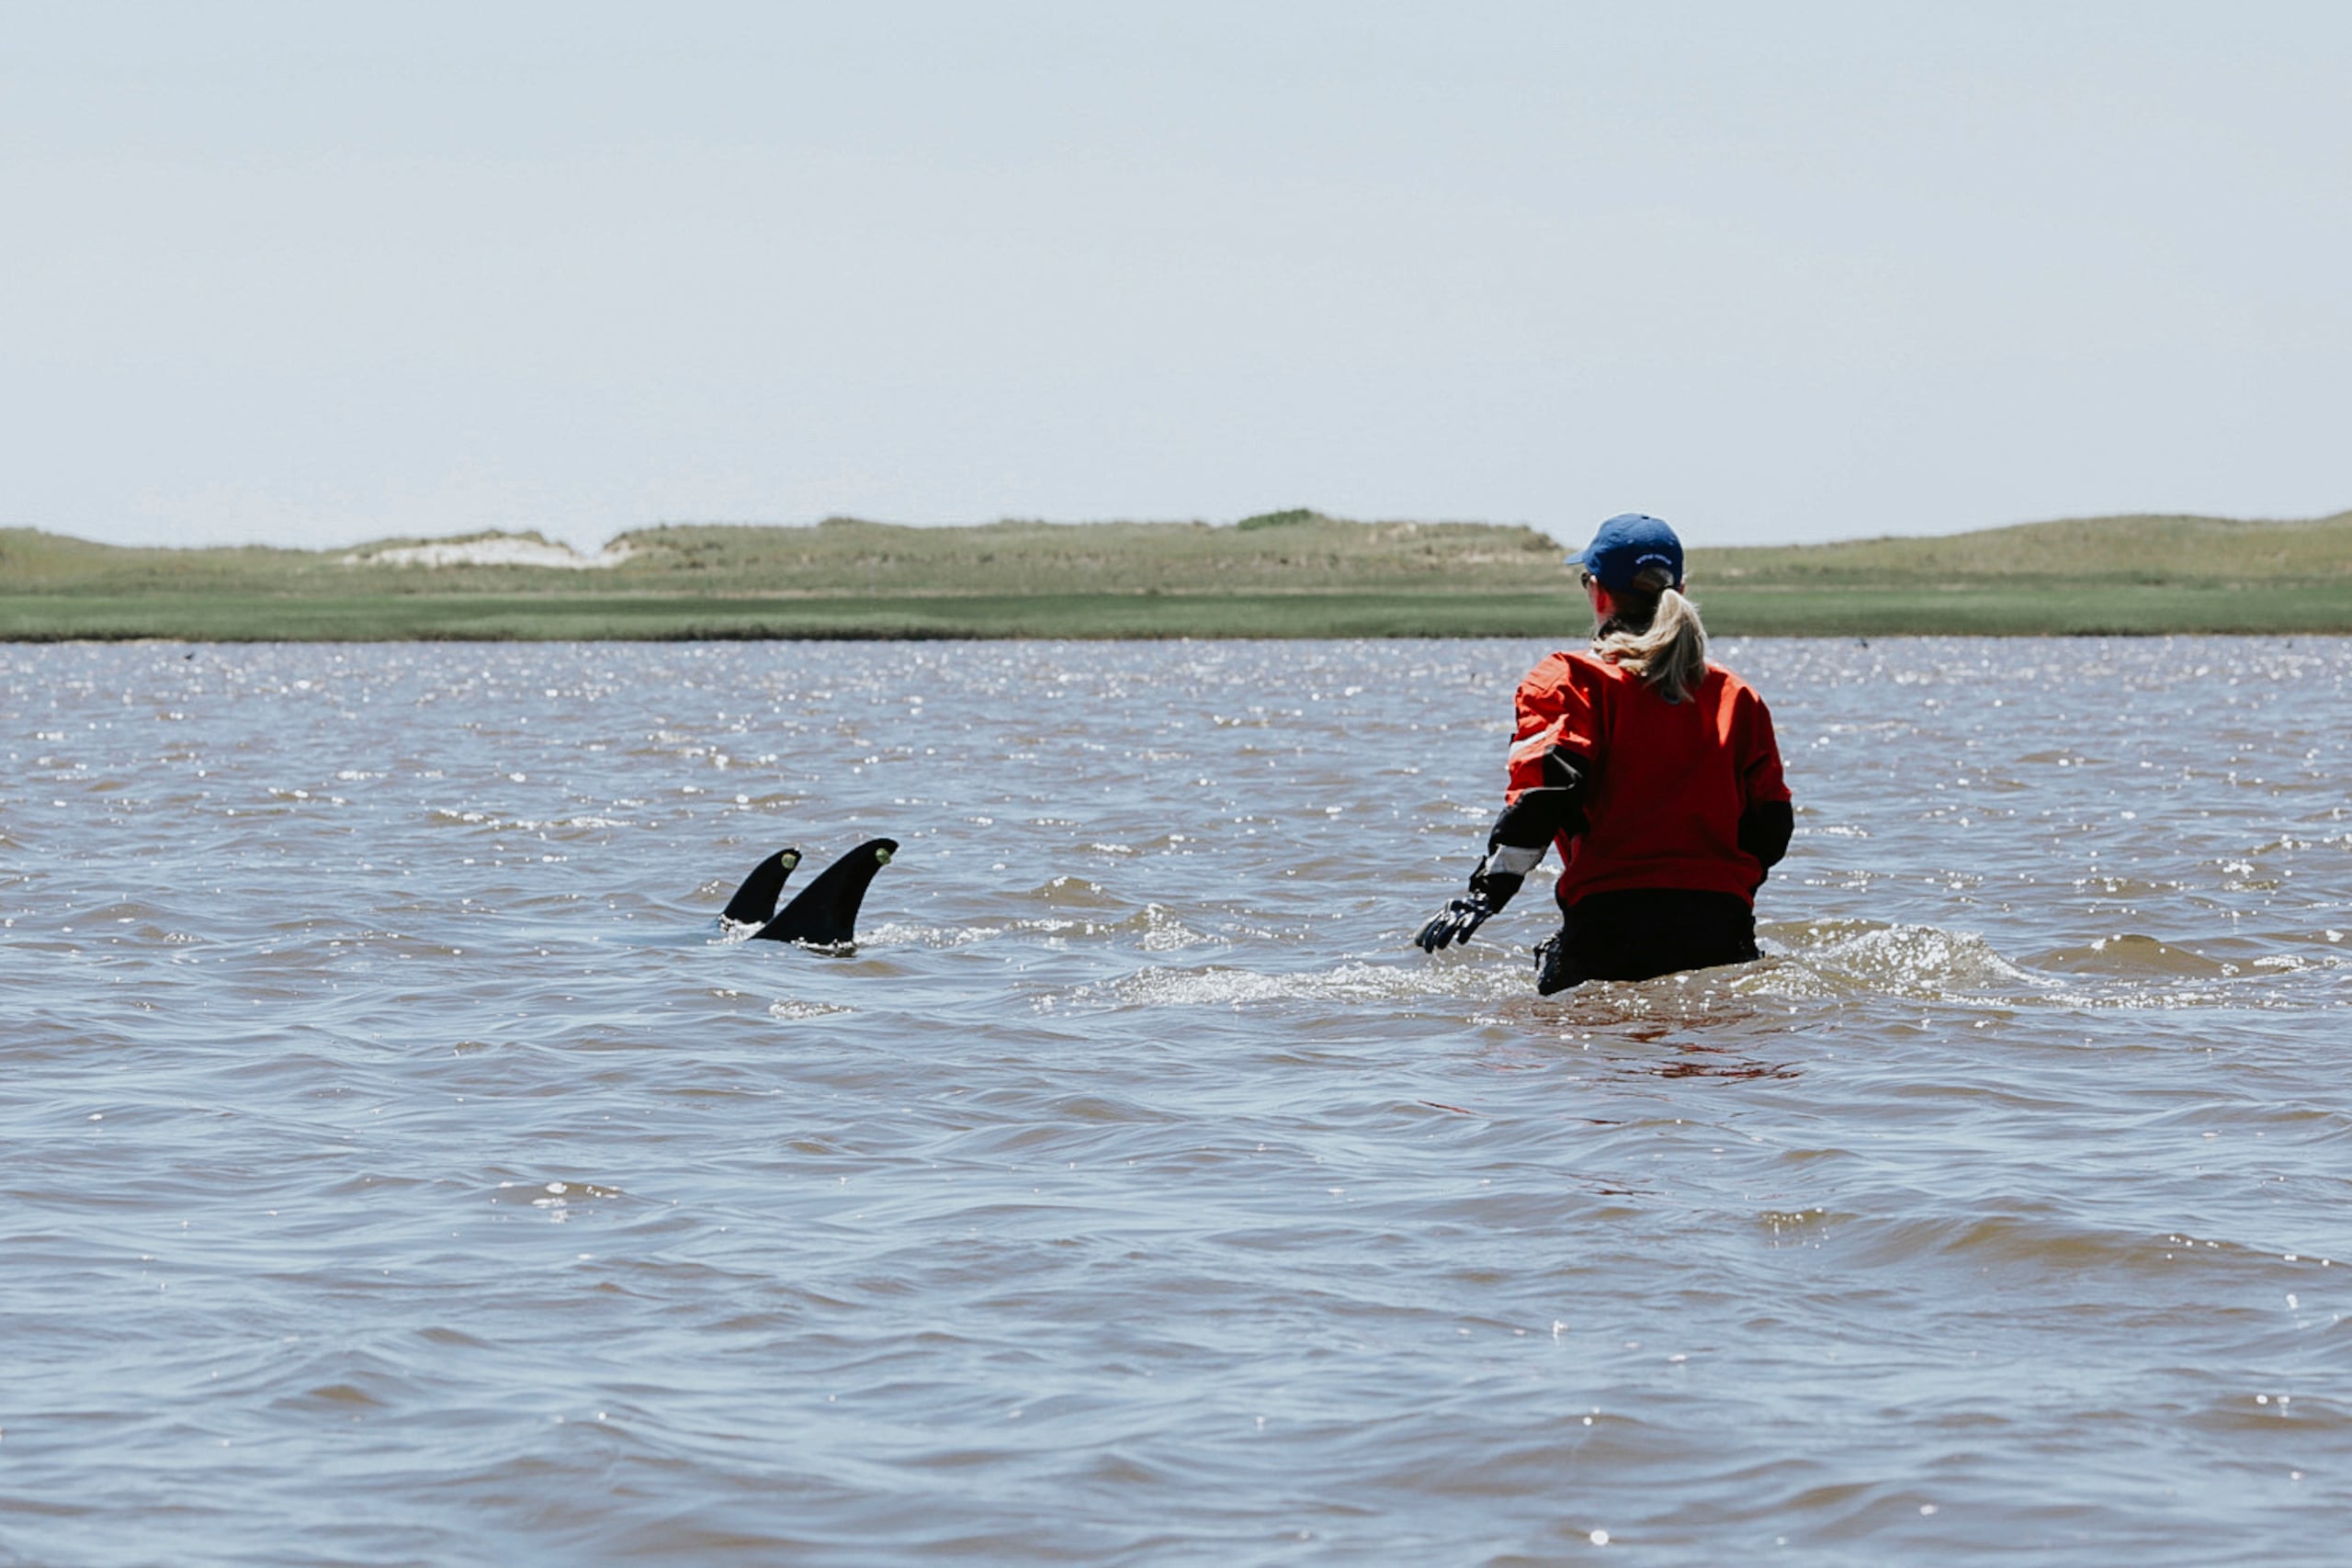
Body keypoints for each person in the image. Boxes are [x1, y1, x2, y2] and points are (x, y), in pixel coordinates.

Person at [1415, 513, 1792, 993]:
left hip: (1608, 929)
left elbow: (1543, 798)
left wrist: (1483, 897)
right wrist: (1722, 892)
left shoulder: (1570, 681)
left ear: (1596, 591)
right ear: (1680, 587)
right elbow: (1772, 827)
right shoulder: (1737, 696)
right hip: (1722, 929)